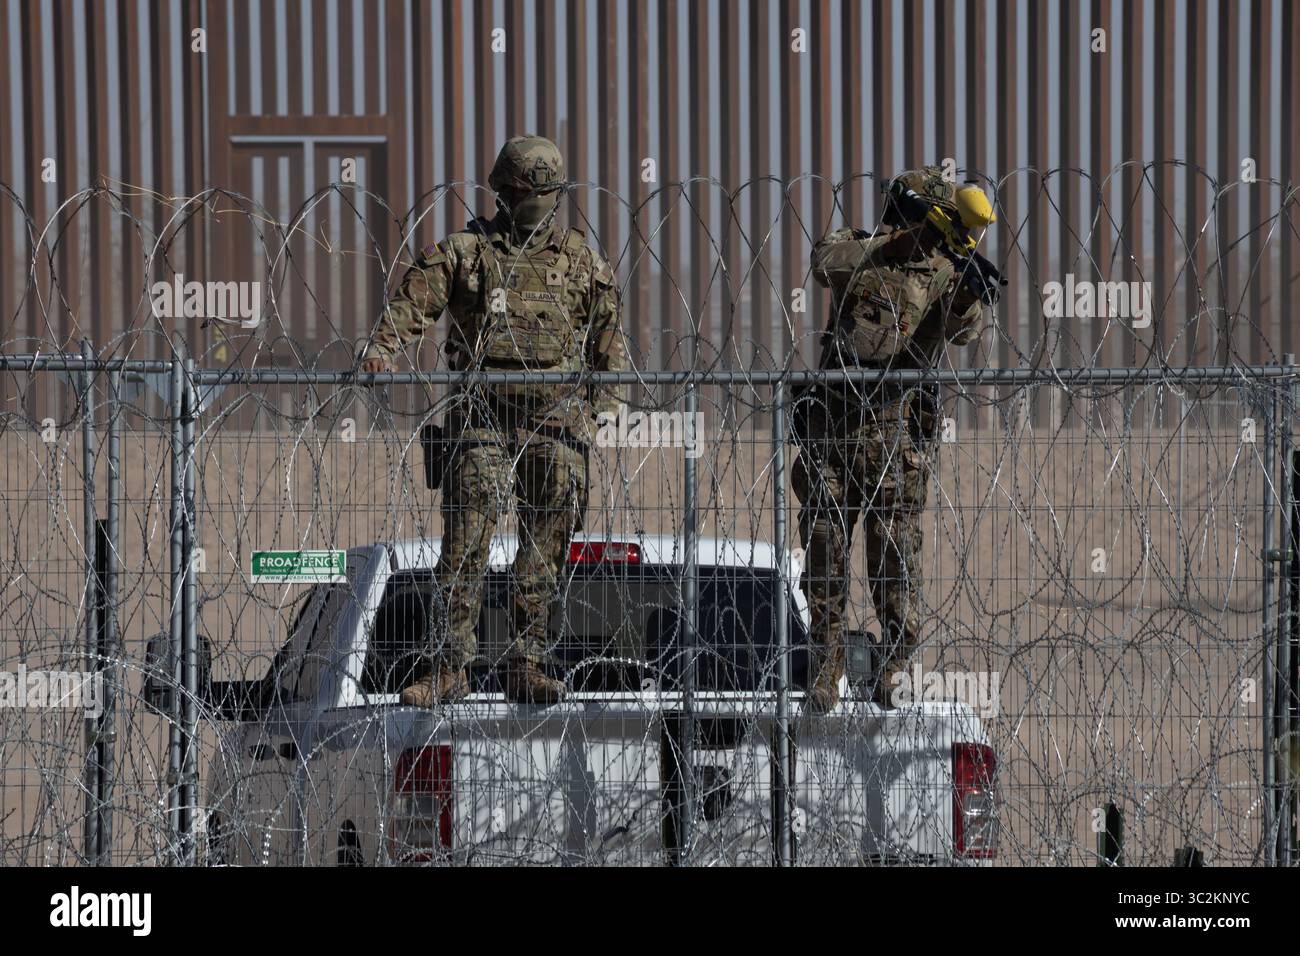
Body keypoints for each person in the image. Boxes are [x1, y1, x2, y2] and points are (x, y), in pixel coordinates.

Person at [359, 135, 627, 706]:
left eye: (540, 192)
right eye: (522, 191)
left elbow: (610, 340)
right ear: (502, 191)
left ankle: (527, 661)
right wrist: (383, 345)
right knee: (466, 538)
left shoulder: (581, 261)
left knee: (545, 543)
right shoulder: (468, 253)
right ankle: (450, 664)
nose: (530, 201)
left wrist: (607, 406)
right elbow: (415, 302)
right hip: (482, 412)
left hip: (554, 417)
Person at [793, 166, 996, 713]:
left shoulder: (944, 272)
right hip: (832, 431)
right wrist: (892, 243)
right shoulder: (862, 250)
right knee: (824, 550)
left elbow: (966, 329)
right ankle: (827, 664)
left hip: (893, 437)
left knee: (894, 560)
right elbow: (822, 261)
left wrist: (962, 295)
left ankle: (894, 665)